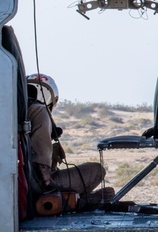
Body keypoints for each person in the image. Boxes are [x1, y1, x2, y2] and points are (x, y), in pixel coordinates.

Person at [26, 73, 111, 210]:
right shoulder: (38, 111)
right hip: (38, 183)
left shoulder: (13, 113)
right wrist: (48, 183)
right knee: (96, 170)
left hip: (26, 179)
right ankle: (80, 201)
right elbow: (42, 165)